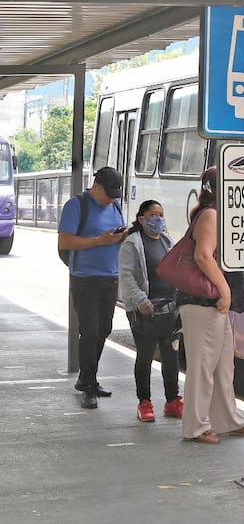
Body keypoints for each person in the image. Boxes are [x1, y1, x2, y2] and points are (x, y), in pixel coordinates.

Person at [177, 166, 244, 444]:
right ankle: (195, 427)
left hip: (215, 302)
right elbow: (203, 257)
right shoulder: (210, 215)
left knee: (223, 365)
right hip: (204, 301)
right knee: (203, 366)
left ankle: (227, 421)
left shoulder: (213, 213)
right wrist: (224, 291)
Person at [57, 166, 128, 409]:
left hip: (110, 277)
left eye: (114, 196)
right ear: (96, 187)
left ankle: (87, 378)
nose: (110, 200)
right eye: (108, 194)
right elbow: (65, 241)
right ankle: (88, 384)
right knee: (89, 331)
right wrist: (101, 240)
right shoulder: (77, 205)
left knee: (104, 329)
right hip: (85, 278)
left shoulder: (115, 207)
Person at [118, 199, 183, 423]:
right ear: (141, 218)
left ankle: (173, 400)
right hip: (145, 310)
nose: (158, 218)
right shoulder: (132, 243)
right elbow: (126, 277)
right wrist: (140, 300)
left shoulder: (166, 240)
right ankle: (144, 402)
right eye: (153, 214)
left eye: (160, 214)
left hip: (170, 308)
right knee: (145, 355)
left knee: (171, 355)